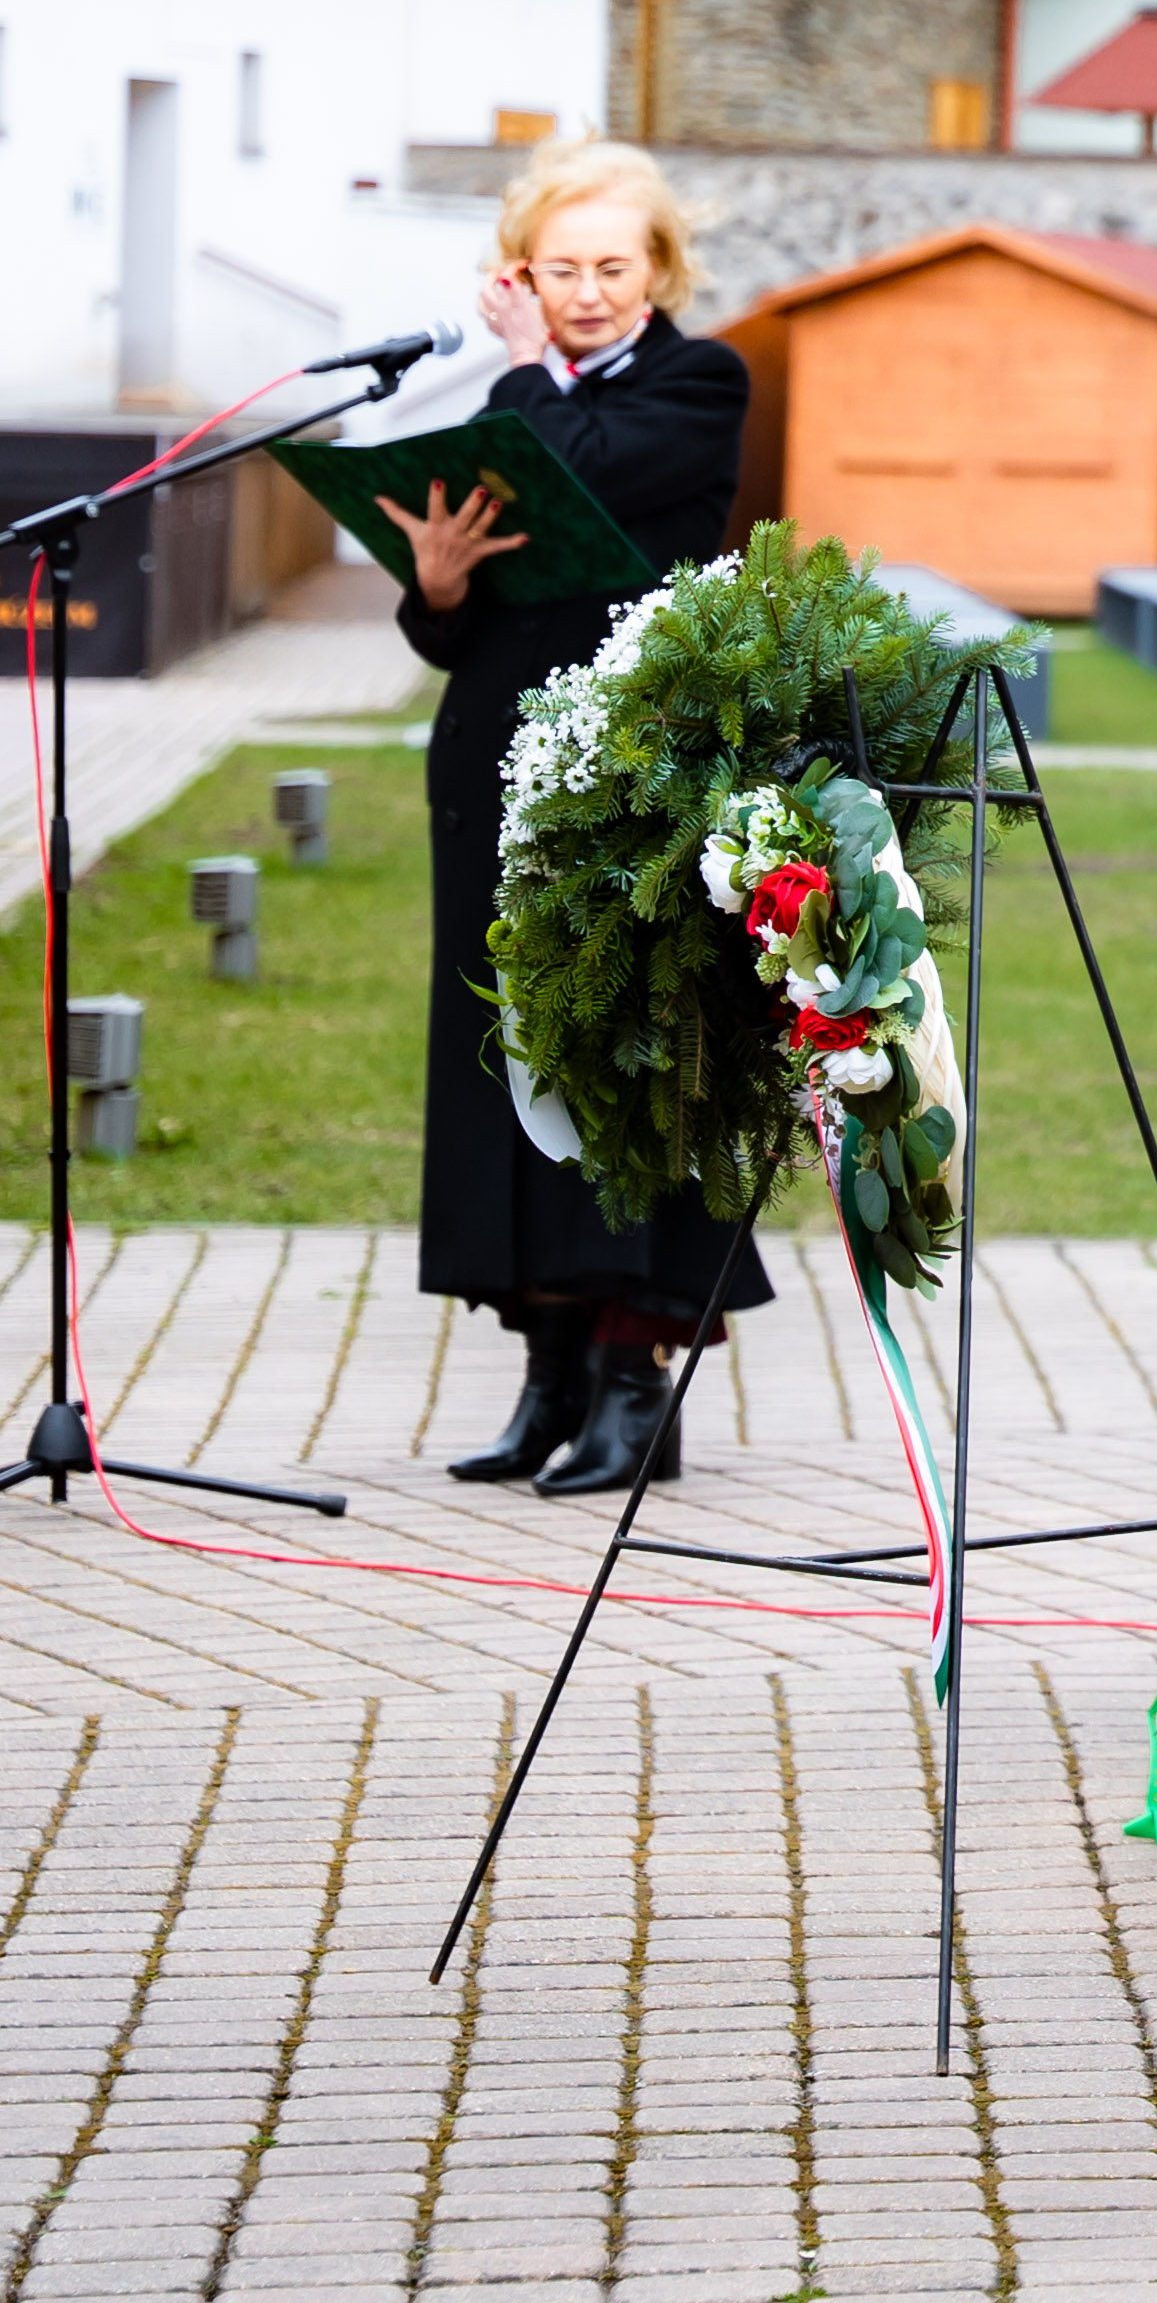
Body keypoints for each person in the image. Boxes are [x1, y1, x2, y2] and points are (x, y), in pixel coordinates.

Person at [393, 136, 765, 1491]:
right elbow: (463, 618)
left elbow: (597, 470)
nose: (591, 292)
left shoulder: (697, 381)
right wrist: (433, 588)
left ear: (662, 270)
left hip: (628, 772)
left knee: (622, 1057)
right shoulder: (516, 398)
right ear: (518, 273)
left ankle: (631, 1378)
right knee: (502, 1063)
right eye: (562, 270)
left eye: (616, 266)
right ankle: (546, 1369)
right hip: (491, 756)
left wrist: (519, 377)